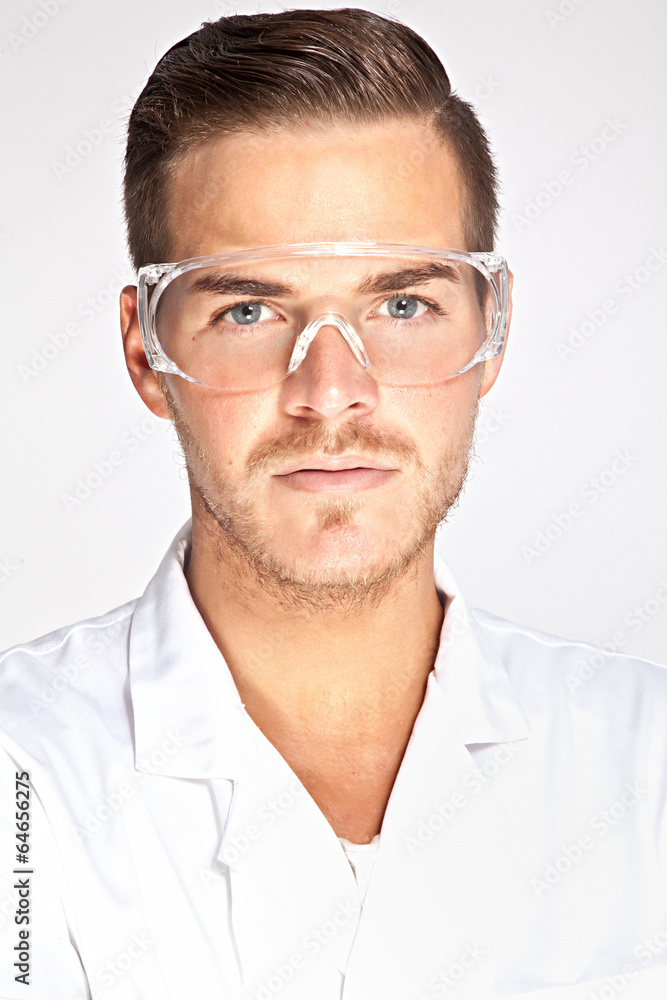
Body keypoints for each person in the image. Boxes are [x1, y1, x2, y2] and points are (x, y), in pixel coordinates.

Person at [1, 8, 666, 999]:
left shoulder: (644, 761)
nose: (330, 393)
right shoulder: (24, 777)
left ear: (495, 326)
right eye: (249, 309)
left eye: (402, 305)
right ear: (147, 351)